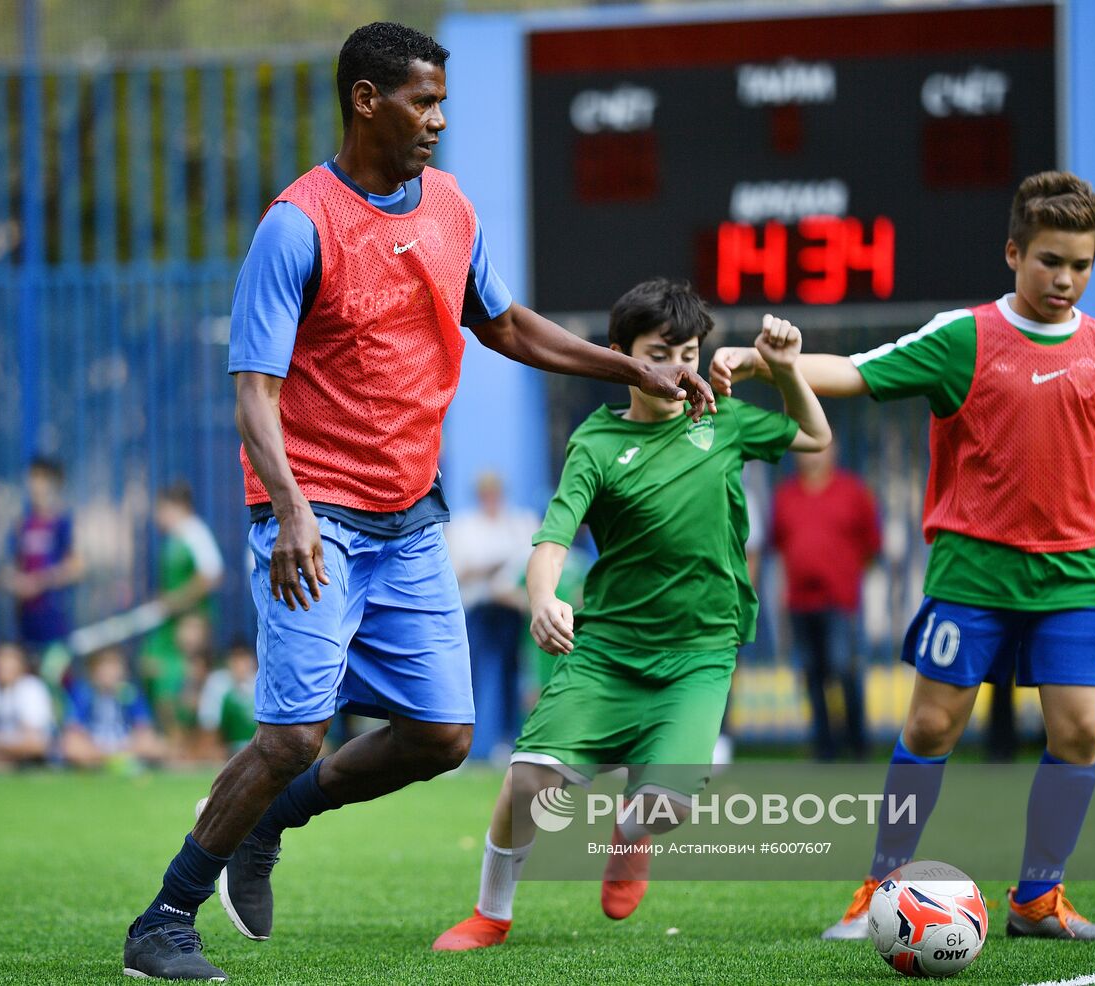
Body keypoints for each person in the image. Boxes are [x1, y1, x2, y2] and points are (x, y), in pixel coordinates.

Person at [121, 22, 716, 981]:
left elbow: (508, 324)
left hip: (410, 519)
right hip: (314, 520)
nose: (439, 118)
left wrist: (629, 367)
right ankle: (163, 919)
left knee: (442, 736)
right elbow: (253, 394)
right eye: (423, 101)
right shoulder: (297, 225)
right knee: (290, 734)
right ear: (367, 100)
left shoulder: (448, 207)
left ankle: (272, 818)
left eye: (442, 101)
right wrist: (293, 509)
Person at [712, 171, 1095, 942]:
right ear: (1014, 251)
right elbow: (855, 374)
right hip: (972, 573)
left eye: (1081, 264)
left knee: (1081, 731)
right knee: (928, 728)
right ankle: (877, 887)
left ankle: (1037, 900)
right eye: (1050, 260)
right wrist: (764, 365)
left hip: (1072, 577)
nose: (1065, 278)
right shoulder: (964, 337)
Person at [431, 281, 830, 950]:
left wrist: (783, 368)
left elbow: (814, 435)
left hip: (700, 654)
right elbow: (552, 538)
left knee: (664, 806)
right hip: (609, 649)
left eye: (690, 353)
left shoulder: (723, 420)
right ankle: (491, 915)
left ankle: (632, 830)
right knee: (528, 779)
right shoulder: (595, 441)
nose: (678, 368)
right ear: (621, 357)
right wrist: (543, 596)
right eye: (660, 353)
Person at [770, 443, 881, 761]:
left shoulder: (853, 491)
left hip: (839, 600)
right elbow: (778, 548)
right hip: (799, 601)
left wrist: (848, 579)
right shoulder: (785, 495)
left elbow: (871, 546)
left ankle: (858, 744)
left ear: (833, 451)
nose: (812, 453)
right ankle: (824, 746)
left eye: (820, 446)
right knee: (812, 674)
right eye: (806, 446)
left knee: (843, 668)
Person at [445, 472, 541, 761]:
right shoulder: (464, 527)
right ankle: (456, 744)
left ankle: (506, 741)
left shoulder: (519, 524)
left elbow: (528, 565)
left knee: (512, 675)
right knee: (468, 676)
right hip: (476, 611)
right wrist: (491, 567)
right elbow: (457, 573)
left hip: (511, 610)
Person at [138, 483, 224, 741]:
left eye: (161, 509)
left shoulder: (195, 533)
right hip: (169, 624)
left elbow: (212, 576)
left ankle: (187, 744)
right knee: (151, 667)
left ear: (178, 507)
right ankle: (171, 738)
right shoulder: (173, 539)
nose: (157, 516)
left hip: (188, 622)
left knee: (181, 679)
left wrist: (176, 602)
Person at [2, 457, 84, 654]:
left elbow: (77, 567)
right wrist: (15, 583)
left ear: (54, 483)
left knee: (55, 677)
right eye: (31, 478)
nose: (35, 485)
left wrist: (39, 582)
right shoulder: (22, 525)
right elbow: (9, 569)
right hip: (26, 622)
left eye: (41, 478)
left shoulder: (63, 523)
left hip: (54, 621)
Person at [61, 647, 165, 769]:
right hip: (94, 744)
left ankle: (106, 762)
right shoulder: (84, 692)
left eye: (114, 668)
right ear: (94, 672)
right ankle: (115, 762)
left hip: (125, 744)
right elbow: (73, 728)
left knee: (154, 744)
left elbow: (143, 727)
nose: (110, 674)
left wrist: (128, 746)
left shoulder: (130, 693)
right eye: (105, 669)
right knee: (71, 746)